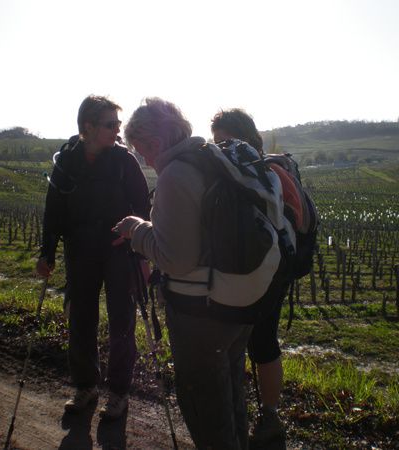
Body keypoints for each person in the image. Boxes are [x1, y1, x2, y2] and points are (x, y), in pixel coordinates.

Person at [114, 98, 284, 449]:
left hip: (200, 314)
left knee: (206, 410)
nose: (143, 158)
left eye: (141, 149)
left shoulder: (176, 174)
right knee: (232, 394)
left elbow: (177, 260)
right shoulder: (212, 159)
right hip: (242, 304)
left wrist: (137, 232)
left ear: (155, 143)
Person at [36, 95, 150, 419]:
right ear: (88, 127)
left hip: (119, 253)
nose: (117, 130)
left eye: (118, 124)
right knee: (80, 320)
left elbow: (143, 209)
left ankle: (118, 393)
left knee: (122, 323)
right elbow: (53, 212)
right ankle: (86, 387)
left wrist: (142, 253)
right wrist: (47, 253)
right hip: (80, 252)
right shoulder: (66, 162)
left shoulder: (124, 162)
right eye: (110, 124)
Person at [211, 108, 289, 446]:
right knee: (264, 340)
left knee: (239, 340)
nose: (221, 147)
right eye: (218, 142)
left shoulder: (244, 170)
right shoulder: (275, 170)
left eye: (223, 140)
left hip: (255, 265)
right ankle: (269, 416)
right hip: (280, 264)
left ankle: (248, 416)